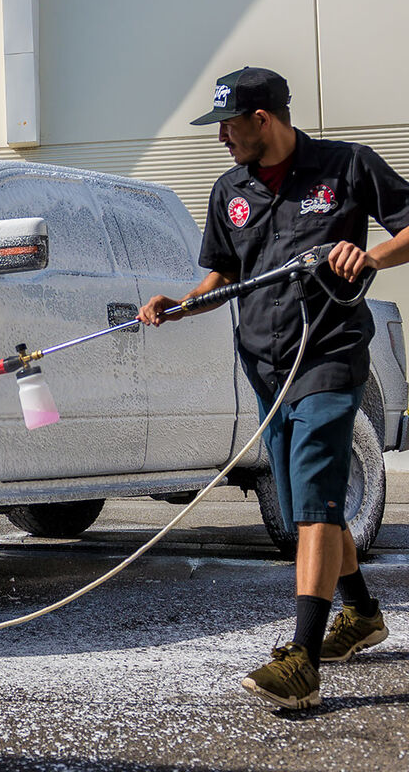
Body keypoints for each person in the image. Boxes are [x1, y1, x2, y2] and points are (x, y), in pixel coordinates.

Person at [139, 66, 409, 710]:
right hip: (265, 363)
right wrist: (182, 304)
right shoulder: (228, 189)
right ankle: (362, 614)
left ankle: (302, 661)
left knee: (313, 500)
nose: (221, 138)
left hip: (330, 354)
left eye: (228, 125)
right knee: (304, 506)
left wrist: (370, 256)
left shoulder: (347, 167)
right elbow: (222, 278)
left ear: (263, 119)